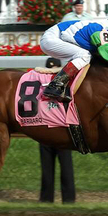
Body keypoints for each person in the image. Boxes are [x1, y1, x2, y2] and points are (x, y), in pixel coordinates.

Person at [39, 57, 76, 204]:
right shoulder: (66, 84)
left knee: (49, 168)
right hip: (60, 129)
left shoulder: (42, 87)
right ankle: (68, 199)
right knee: (64, 166)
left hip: (49, 129)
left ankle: (47, 199)